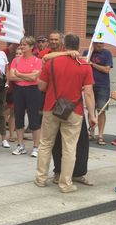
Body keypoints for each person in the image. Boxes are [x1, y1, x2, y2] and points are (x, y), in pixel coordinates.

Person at [35, 33, 96, 193]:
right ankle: (65, 183)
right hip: (74, 111)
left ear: (64, 45)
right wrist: (92, 115)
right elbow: (88, 93)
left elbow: (41, 86)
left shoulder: (51, 63)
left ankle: (41, 178)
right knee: (69, 147)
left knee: (46, 143)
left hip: (51, 108)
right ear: (78, 46)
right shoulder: (84, 65)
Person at [8, 36, 42, 157]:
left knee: (34, 119)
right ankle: (20, 145)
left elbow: (34, 78)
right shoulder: (16, 60)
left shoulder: (37, 61)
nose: (22, 47)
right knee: (18, 117)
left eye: (24, 45)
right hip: (18, 90)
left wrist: (19, 74)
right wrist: (26, 76)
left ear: (31, 47)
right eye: (21, 44)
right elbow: (12, 77)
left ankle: (36, 147)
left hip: (33, 90)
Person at [83, 42, 113, 144]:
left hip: (102, 85)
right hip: (89, 84)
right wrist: (88, 56)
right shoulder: (87, 52)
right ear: (94, 43)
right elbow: (83, 66)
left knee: (101, 110)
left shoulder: (107, 53)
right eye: (98, 44)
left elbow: (106, 69)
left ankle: (100, 135)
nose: (100, 46)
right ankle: (91, 133)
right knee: (91, 109)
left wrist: (93, 64)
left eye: (102, 44)